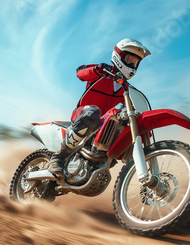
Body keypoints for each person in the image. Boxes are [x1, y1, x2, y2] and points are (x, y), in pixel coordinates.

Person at [48, 38, 151, 178]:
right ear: (119, 56)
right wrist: (98, 69)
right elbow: (80, 73)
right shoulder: (102, 72)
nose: (132, 65)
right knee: (93, 112)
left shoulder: (126, 88)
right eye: (130, 59)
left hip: (104, 123)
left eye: (135, 62)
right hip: (83, 114)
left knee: (125, 117)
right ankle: (58, 157)